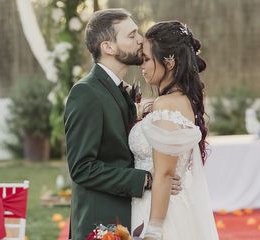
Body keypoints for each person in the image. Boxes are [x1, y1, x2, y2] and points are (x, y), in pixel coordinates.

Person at [64, 10, 181, 240]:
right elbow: (82, 168)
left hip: (130, 217)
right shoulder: (86, 92)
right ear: (108, 47)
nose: (141, 40)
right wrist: (145, 179)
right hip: (101, 224)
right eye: (132, 35)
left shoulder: (121, 90)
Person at [129, 21, 219, 239]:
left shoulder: (167, 105)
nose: (142, 65)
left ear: (169, 63)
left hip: (159, 212)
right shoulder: (178, 101)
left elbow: (166, 173)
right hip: (159, 203)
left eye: (147, 59)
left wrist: (154, 230)